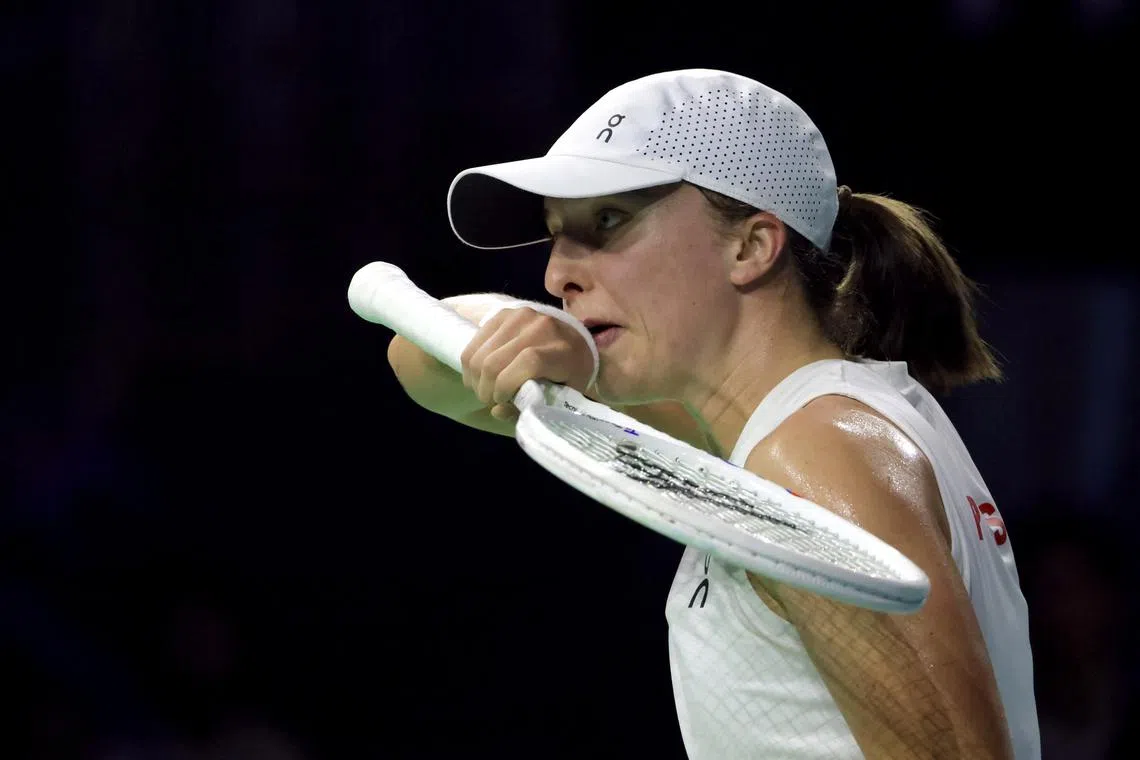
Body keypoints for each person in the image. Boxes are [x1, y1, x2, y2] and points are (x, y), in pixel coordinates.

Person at [386, 69, 1039, 759]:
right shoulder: (759, 427)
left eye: (607, 221)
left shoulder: (816, 451)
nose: (557, 276)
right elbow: (420, 359)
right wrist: (561, 342)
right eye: (556, 235)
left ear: (750, 246)